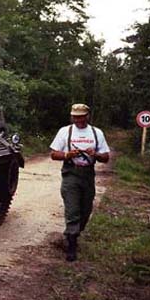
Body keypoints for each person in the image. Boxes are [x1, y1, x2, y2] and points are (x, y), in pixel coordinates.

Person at [50, 103, 110, 262]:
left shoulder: (96, 133)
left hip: (88, 174)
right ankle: (71, 245)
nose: (78, 119)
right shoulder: (65, 131)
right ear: (71, 116)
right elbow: (53, 154)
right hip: (71, 173)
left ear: (87, 116)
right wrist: (67, 155)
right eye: (75, 116)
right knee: (72, 209)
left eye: (81, 116)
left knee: (86, 209)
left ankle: (73, 233)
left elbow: (106, 157)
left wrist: (95, 154)